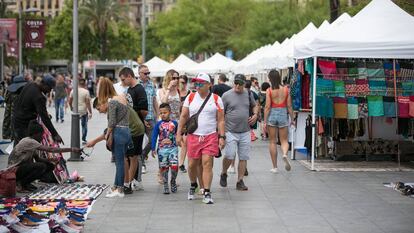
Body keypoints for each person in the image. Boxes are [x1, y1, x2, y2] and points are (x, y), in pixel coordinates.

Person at [177, 73, 225, 204]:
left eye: (200, 83)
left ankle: (207, 192)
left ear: (209, 84)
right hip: (193, 136)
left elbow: (221, 120)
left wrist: (222, 136)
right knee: (192, 165)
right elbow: (183, 116)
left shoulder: (216, 99)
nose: (197, 86)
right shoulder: (191, 97)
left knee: (207, 163)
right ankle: (193, 184)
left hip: (210, 136)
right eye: (196, 83)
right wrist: (178, 133)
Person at [87, 98, 144, 195]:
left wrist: (95, 141)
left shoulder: (112, 105)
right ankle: (126, 184)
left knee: (123, 160)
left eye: (98, 108)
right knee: (132, 157)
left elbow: (110, 129)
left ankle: (123, 186)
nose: (100, 112)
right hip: (137, 129)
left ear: (102, 102)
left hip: (132, 130)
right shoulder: (118, 103)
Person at [7, 120, 79, 192]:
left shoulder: (33, 144)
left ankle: (26, 183)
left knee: (49, 166)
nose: (41, 138)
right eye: (41, 135)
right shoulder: (28, 141)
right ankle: (21, 184)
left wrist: (51, 160)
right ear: (35, 134)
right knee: (41, 166)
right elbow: (51, 149)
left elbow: (38, 159)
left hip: (21, 169)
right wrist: (72, 149)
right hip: (14, 170)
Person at [220, 74, 259, 191]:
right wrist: (221, 132)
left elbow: (255, 105)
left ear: (244, 84)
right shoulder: (226, 95)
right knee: (229, 155)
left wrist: (255, 115)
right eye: (235, 83)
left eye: (240, 83)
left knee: (243, 157)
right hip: (230, 131)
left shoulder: (248, 93)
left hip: (245, 130)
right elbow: (221, 113)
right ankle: (223, 173)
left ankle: (240, 181)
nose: (237, 85)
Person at [97, 77, 132, 198]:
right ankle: (116, 186)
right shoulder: (122, 97)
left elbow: (112, 122)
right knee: (121, 160)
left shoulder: (112, 101)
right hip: (127, 131)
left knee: (119, 162)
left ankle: (119, 189)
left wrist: (107, 133)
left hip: (118, 132)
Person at [13, 74, 63, 145]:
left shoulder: (30, 84)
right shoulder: (39, 97)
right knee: (26, 147)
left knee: (18, 146)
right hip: (24, 125)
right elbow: (45, 118)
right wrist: (55, 134)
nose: (49, 91)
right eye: (50, 88)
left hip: (16, 120)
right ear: (44, 85)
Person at [121, 67, 148, 191]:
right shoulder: (129, 89)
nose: (122, 82)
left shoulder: (139, 89)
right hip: (131, 126)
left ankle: (132, 182)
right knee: (131, 156)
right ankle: (132, 181)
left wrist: (139, 119)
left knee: (134, 156)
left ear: (129, 76)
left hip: (136, 127)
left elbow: (144, 109)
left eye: (123, 79)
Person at [264, 70, 294, 173]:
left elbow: (267, 107)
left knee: (272, 141)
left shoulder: (269, 90)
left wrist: (264, 121)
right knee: (284, 140)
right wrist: (292, 119)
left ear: (270, 79)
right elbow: (289, 106)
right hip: (283, 114)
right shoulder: (286, 90)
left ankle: (275, 167)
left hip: (272, 114)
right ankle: (285, 154)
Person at [151, 103, 179, 194]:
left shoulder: (174, 123)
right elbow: (154, 136)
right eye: (161, 113)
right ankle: (166, 184)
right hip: (162, 150)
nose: (163, 114)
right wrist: (153, 148)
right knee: (164, 168)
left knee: (174, 167)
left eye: (165, 112)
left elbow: (179, 134)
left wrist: (181, 141)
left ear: (169, 112)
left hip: (173, 148)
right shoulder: (158, 124)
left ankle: (173, 181)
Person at [138, 65, 159, 174]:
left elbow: (154, 100)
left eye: (148, 73)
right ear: (139, 74)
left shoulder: (151, 85)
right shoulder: (136, 86)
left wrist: (158, 114)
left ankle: (142, 156)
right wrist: (141, 119)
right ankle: (141, 165)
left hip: (151, 118)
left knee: (152, 141)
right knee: (139, 142)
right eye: (145, 73)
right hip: (139, 119)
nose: (147, 75)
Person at [2, 75, 28, 140]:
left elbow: (6, 101)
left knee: (15, 140)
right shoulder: (24, 91)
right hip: (20, 121)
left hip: (12, 120)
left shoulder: (9, 91)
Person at [68, 78, 92, 144]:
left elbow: (70, 101)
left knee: (75, 125)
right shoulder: (86, 91)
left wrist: (71, 107)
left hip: (75, 110)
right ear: (85, 84)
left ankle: (75, 138)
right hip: (83, 111)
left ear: (78, 83)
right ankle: (83, 139)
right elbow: (88, 103)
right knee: (84, 125)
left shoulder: (73, 91)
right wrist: (90, 112)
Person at [178, 75, 190, 173]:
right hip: (175, 119)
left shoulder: (189, 93)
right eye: (180, 82)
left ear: (186, 83)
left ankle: (181, 163)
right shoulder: (175, 92)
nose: (181, 84)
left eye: (183, 82)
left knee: (185, 142)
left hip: (185, 121)